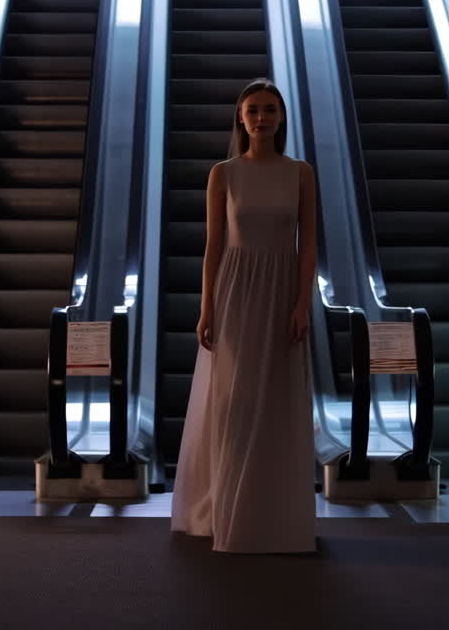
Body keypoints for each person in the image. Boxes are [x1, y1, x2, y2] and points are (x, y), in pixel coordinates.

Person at [170, 78, 318, 554]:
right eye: (253, 109)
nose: (261, 117)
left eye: (269, 110)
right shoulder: (223, 173)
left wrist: (302, 303)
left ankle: (270, 514)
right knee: (233, 401)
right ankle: (228, 511)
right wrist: (206, 306)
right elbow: (213, 245)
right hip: (235, 291)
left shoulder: (300, 173)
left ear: (280, 118)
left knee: (277, 400)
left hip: (281, 293)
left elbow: (309, 243)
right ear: (240, 117)